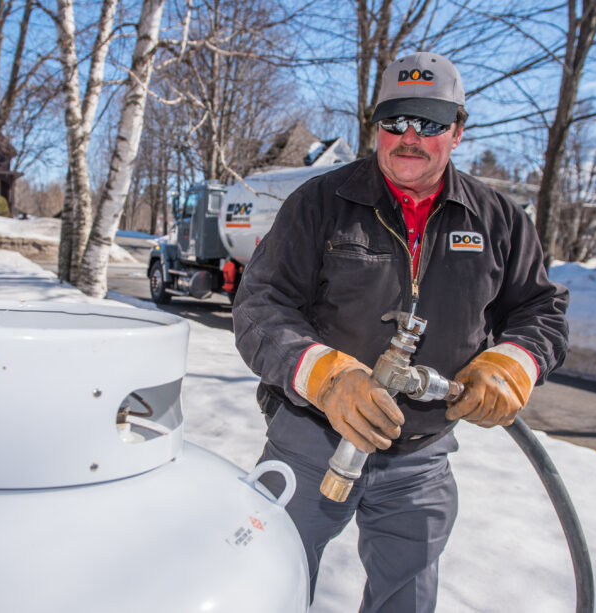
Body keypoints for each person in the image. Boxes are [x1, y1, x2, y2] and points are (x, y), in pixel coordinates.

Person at [232, 52, 569, 613]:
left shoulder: (497, 220)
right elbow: (259, 308)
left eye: (431, 123)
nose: (410, 136)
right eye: (396, 121)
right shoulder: (320, 204)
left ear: (458, 131)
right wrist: (326, 376)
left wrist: (511, 362)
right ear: (377, 127)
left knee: (405, 601)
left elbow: (542, 310)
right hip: (311, 440)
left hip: (420, 457)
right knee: (272, 583)